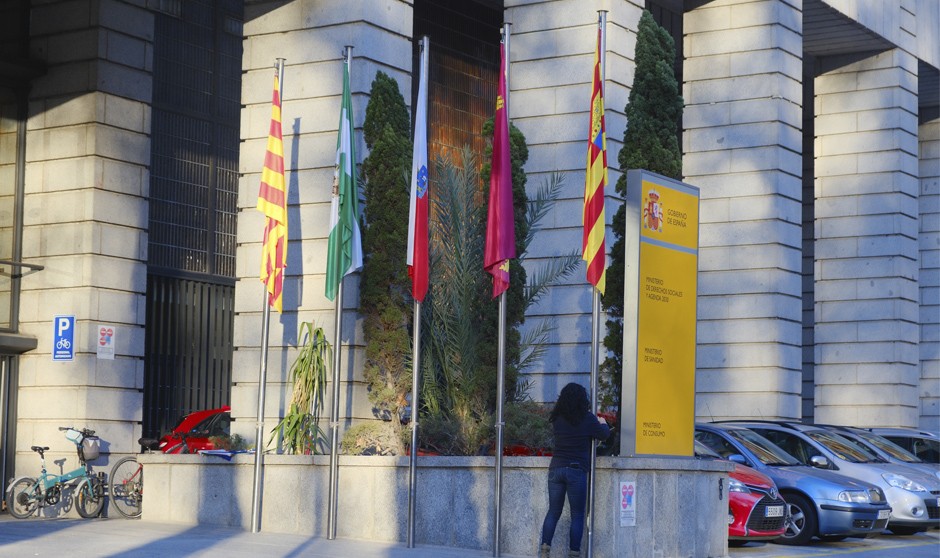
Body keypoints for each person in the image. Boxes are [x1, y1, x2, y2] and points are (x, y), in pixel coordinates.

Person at [539, 382, 610, 558]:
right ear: (582, 400)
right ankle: (573, 553)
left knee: (553, 511)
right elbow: (604, 435)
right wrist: (603, 423)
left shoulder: (557, 419)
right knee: (577, 515)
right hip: (576, 471)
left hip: (556, 469)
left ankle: (545, 550)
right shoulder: (587, 418)